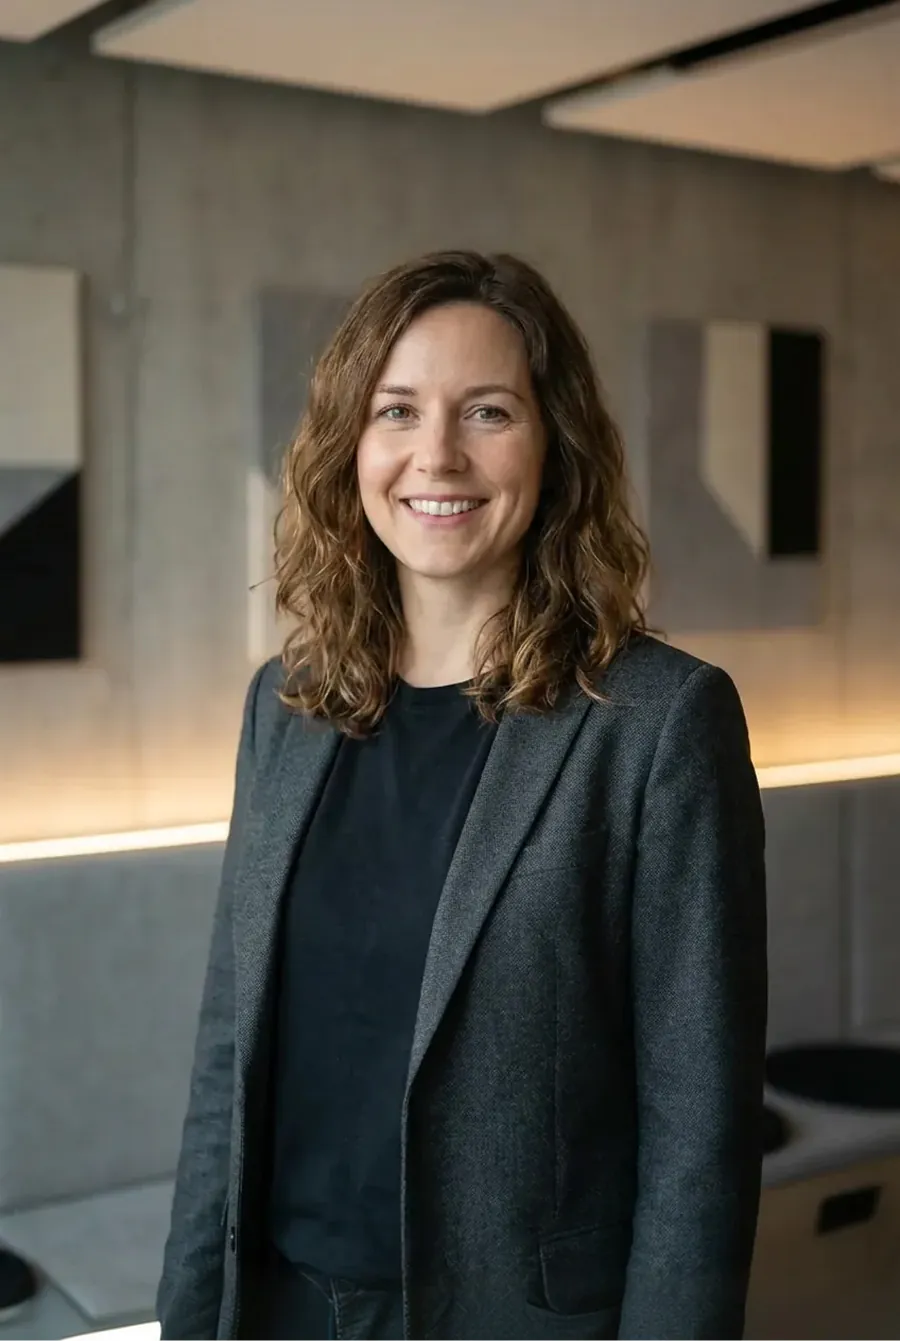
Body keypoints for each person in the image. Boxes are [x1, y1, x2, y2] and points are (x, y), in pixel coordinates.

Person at [157, 250, 767, 1341]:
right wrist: (190, 1312)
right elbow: (226, 1050)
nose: (436, 454)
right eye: (397, 410)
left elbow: (700, 1126)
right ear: (351, 446)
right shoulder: (285, 705)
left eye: (488, 411)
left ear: (555, 443)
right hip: (279, 1306)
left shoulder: (657, 722)